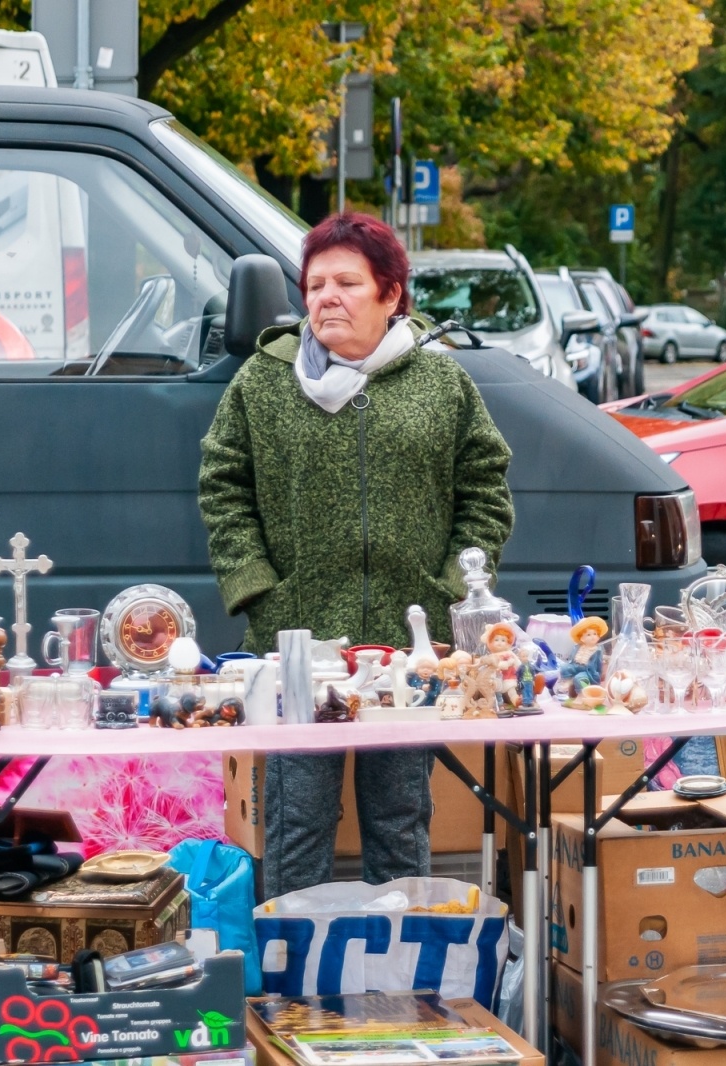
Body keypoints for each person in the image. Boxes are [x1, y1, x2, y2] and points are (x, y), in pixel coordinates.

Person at [198, 212, 514, 897]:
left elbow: (485, 486)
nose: (325, 298)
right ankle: (290, 987)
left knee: (402, 821)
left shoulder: (441, 383)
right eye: (313, 285)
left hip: (411, 648)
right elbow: (222, 486)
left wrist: (458, 589)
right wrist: (257, 589)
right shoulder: (265, 380)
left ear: (391, 294)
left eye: (346, 282)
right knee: (297, 821)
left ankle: (403, 982)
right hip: (298, 644)